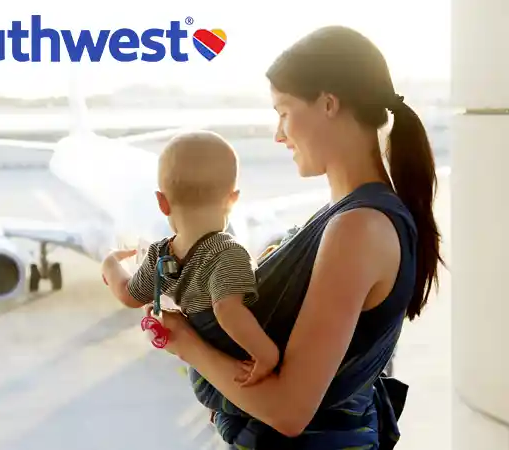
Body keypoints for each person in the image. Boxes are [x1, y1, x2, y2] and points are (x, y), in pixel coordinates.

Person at [143, 25, 445, 449]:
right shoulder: (354, 216)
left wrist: (185, 344)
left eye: (283, 111)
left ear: (327, 104)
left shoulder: (357, 229)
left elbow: (289, 410)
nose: (278, 134)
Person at [100, 131, 281, 443]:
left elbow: (129, 295)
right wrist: (265, 354)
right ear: (233, 198)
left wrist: (111, 266)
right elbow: (226, 308)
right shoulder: (228, 252)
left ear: (162, 203)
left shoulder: (160, 254)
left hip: (203, 378)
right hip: (228, 373)